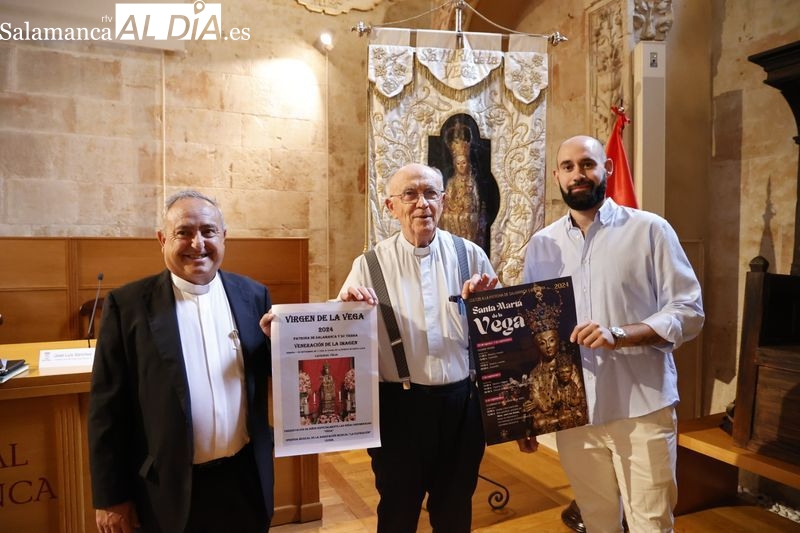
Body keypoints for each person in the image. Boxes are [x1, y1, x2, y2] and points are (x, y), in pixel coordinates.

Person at [517, 135, 704, 532]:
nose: (578, 174)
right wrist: (526, 417)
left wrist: (621, 334)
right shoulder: (540, 246)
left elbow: (688, 311)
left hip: (641, 406)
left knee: (651, 524)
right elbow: (531, 330)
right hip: (573, 414)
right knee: (598, 521)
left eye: (587, 164)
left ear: (608, 169)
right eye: (567, 167)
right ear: (556, 176)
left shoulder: (650, 230)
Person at [88, 190, 274, 533]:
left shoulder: (254, 295)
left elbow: (278, 372)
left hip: (245, 480)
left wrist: (345, 311)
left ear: (224, 236)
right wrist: (110, 496)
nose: (198, 243)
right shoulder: (127, 306)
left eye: (208, 231)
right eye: (183, 232)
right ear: (162, 239)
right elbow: (106, 409)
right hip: (169, 490)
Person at [340, 163, 498, 532]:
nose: (421, 203)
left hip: (463, 407)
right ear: (390, 206)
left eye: (430, 194)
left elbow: (500, 334)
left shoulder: (471, 255)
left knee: (455, 506)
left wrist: (486, 307)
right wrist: (347, 306)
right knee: (397, 508)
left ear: (444, 201)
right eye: (409, 194)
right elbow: (339, 331)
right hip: (398, 409)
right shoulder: (368, 265)